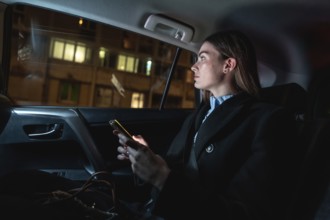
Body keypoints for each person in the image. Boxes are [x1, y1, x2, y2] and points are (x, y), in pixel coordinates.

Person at [113, 30, 300, 220]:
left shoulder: (267, 120)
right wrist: (146, 159)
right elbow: (177, 168)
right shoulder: (199, 115)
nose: (193, 67)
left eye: (202, 58)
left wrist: (162, 178)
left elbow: (246, 213)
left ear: (228, 65)